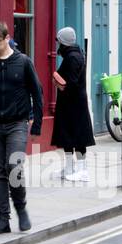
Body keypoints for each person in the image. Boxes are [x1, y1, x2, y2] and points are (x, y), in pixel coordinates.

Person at [0, 21, 44, 234]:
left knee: (13, 167)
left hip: (17, 123)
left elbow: (37, 93)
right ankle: (3, 219)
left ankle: (21, 210)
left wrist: (37, 125)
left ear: (7, 39)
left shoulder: (23, 62)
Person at [51, 27, 95, 182]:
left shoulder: (73, 57)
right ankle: (69, 168)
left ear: (64, 42)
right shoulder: (72, 55)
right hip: (69, 102)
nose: (58, 45)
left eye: (59, 41)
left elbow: (72, 82)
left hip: (74, 103)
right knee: (67, 136)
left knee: (78, 137)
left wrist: (60, 83)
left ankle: (83, 170)